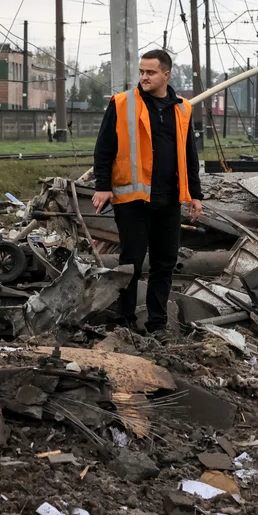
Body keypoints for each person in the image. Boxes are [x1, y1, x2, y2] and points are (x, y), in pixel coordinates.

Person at [92, 49, 203, 336]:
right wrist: (103, 186)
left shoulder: (182, 108)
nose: (144, 77)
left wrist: (195, 194)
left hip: (168, 200)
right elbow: (104, 148)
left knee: (164, 264)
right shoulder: (122, 104)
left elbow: (190, 154)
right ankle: (124, 320)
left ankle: (157, 324)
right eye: (141, 72)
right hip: (133, 200)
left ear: (166, 74)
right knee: (131, 262)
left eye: (150, 72)